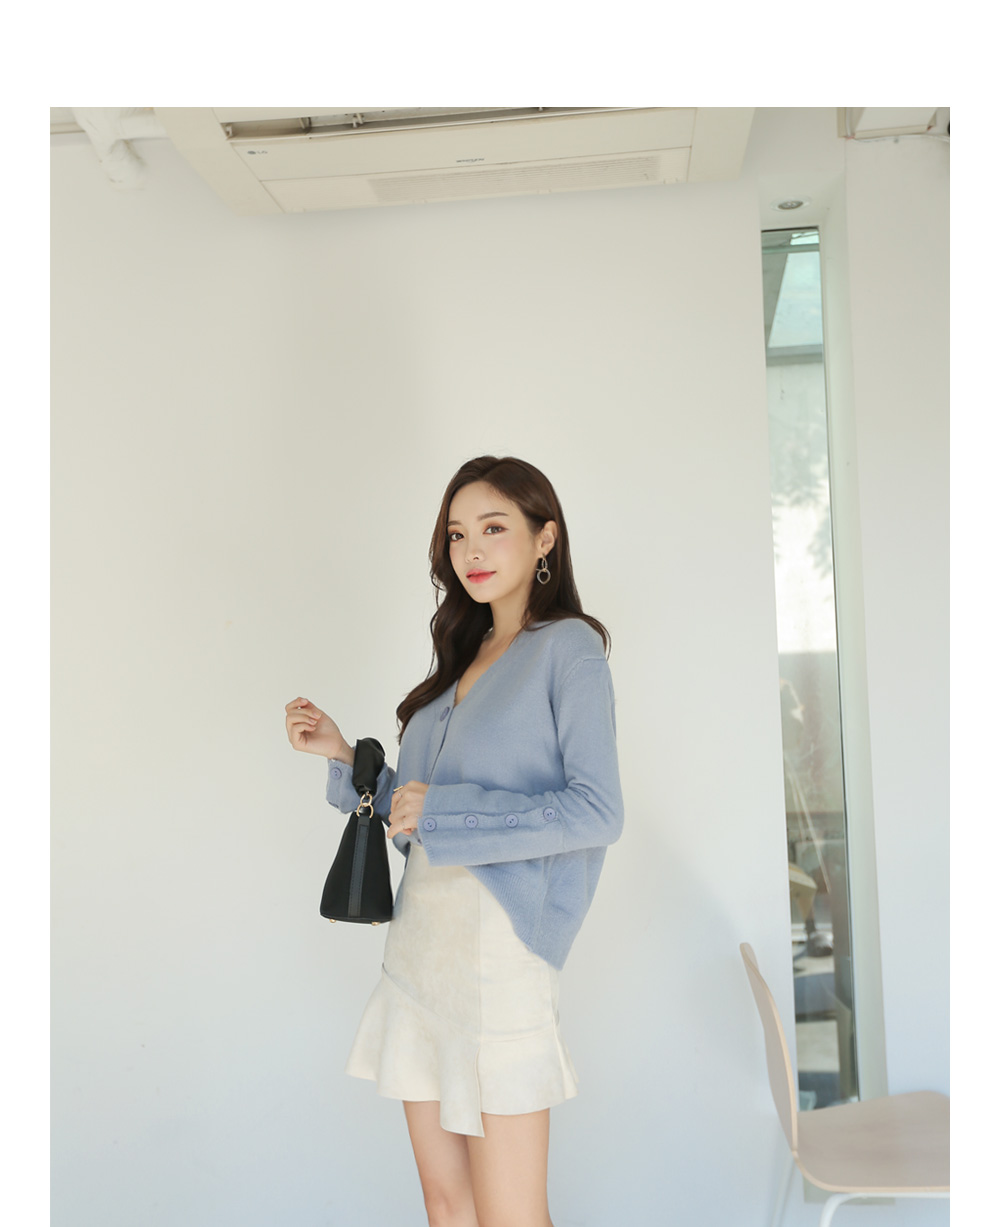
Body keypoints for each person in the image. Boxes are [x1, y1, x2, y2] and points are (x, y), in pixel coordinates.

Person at [284, 455, 624, 1227]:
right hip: (420, 950)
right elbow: (421, 821)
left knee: (510, 1214)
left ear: (545, 538)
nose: (471, 549)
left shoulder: (568, 648)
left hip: (500, 955)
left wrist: (447, 810)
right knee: (447, 1205)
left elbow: (597, 811)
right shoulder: (463, 658)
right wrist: (343, 755)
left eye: (493, 528)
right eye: (458, 533)